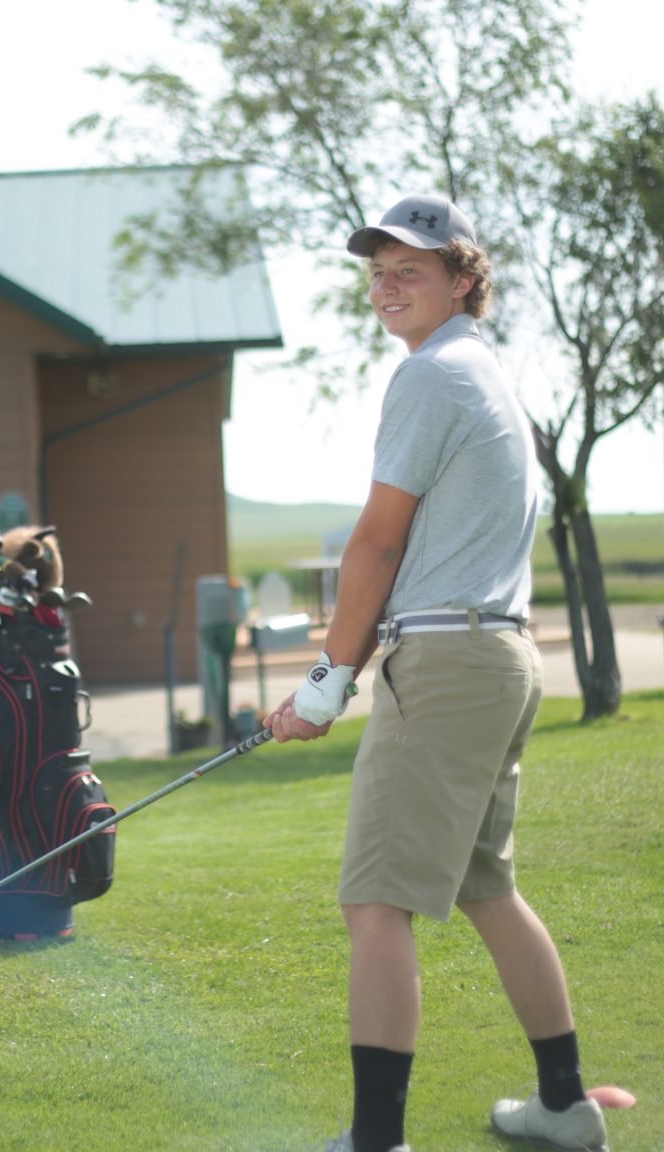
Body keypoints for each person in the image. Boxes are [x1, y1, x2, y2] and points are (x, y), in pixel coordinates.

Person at [267, 194, 619, 1152]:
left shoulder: (431, 377)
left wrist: (326, 681)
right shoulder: (488, 376)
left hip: (452, 662)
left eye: (410, 269)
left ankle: (376, 1142)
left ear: (465, 279)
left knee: (375, 902)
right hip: (498, 654)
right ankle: (565, 1104)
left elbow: (378, 543)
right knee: (484, 888)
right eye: (378, 271)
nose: (387, 286)